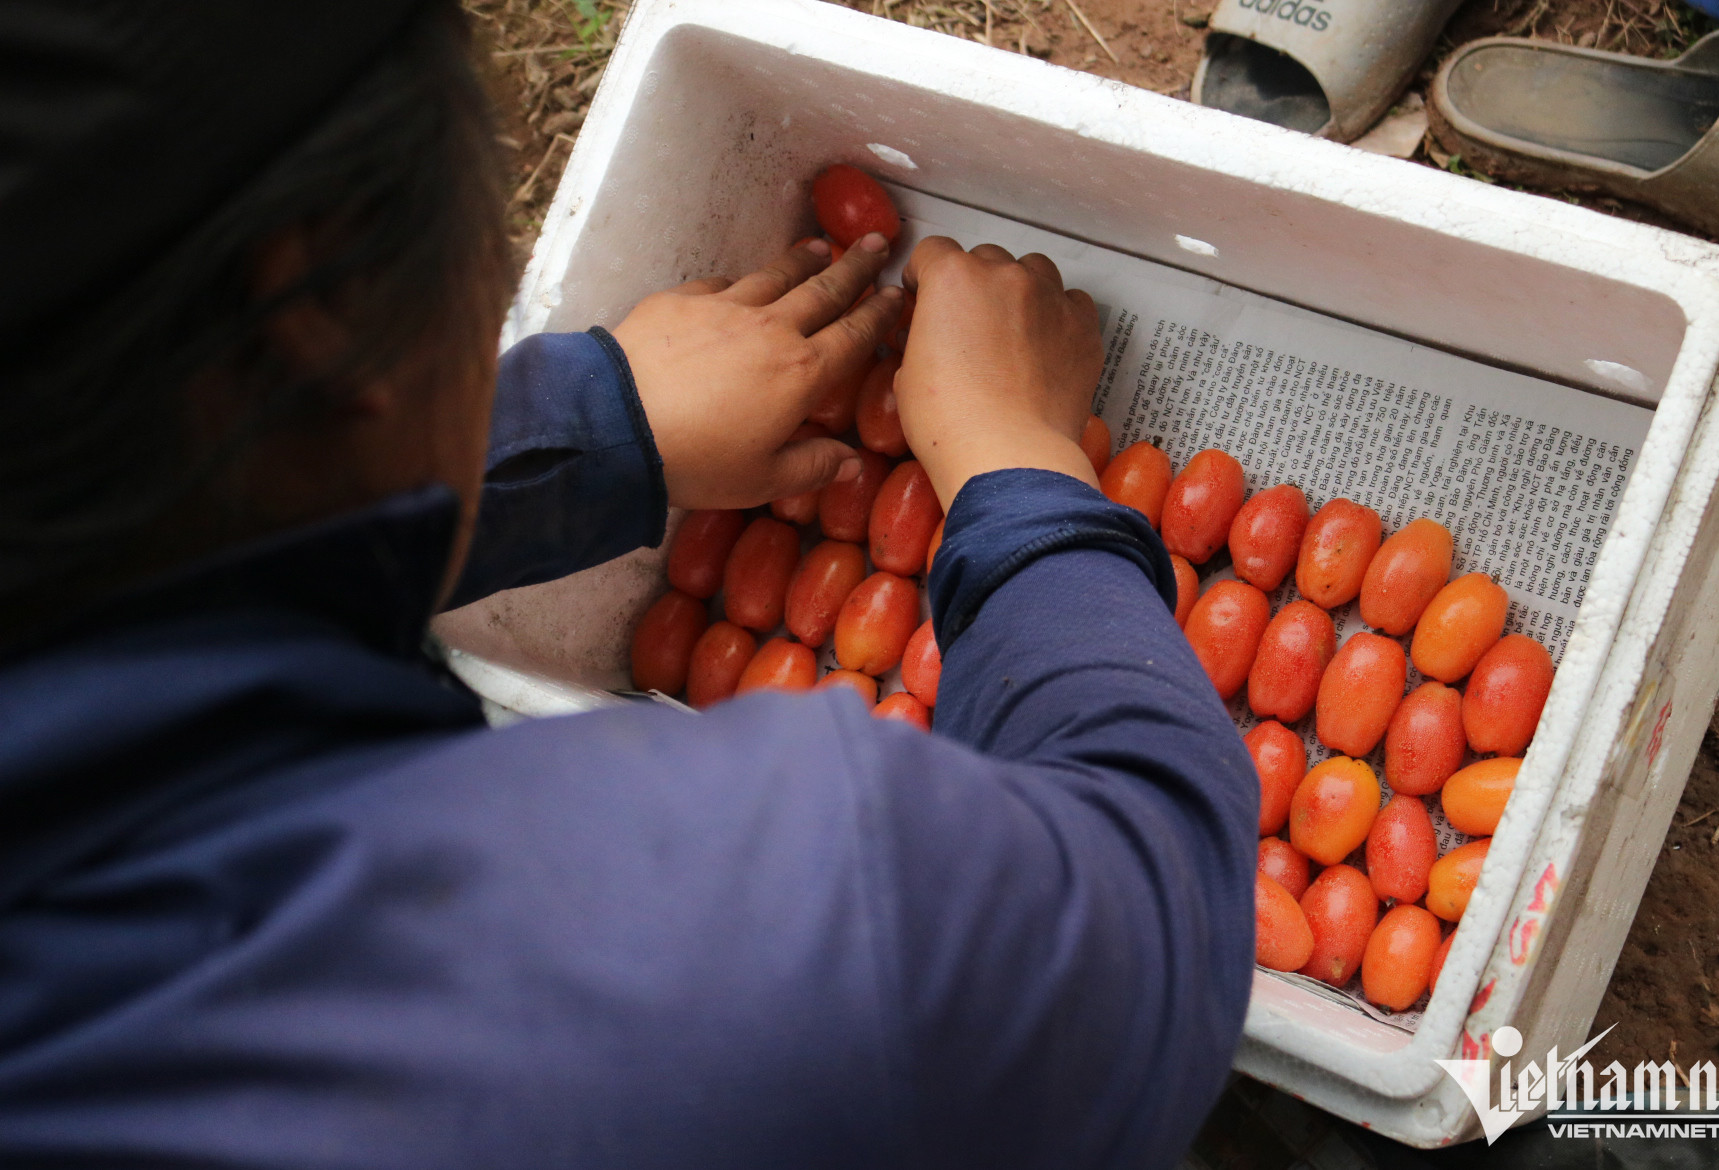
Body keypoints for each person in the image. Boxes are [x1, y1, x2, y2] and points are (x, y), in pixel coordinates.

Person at [0, 2, 1257, 1167]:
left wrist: (586, 424)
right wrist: (1010, 454)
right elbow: (1147, 906)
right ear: (317, 299)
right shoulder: (741, 941)